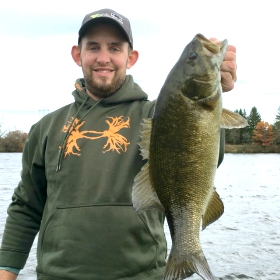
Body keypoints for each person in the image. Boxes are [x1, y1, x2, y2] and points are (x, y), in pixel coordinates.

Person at [0, 8, 237, 280]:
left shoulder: (157, 115)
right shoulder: (46, 127)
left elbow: (200, 155)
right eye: (93, 47)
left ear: (131, 57)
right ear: (78, 55)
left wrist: (218, 92)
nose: (103, 58)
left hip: (142, 275)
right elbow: (26, 205)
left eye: (114, 48)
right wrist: (7, 270)